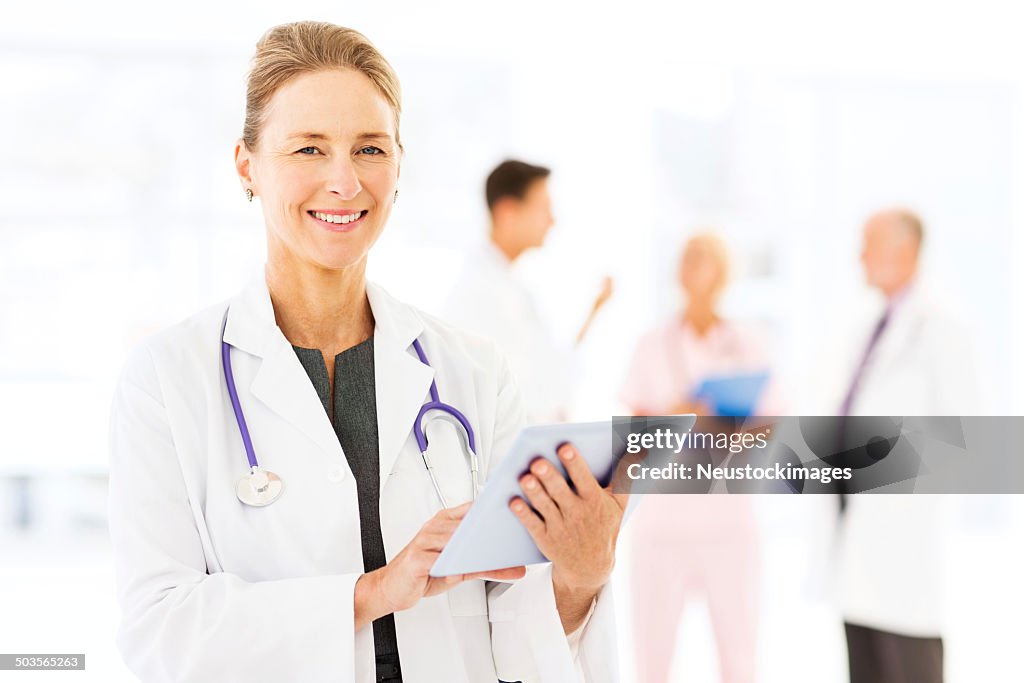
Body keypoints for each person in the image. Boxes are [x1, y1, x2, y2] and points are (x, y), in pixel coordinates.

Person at [107, 22, 625, 683]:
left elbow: (516, 631)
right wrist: (372, 591)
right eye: (309, 149)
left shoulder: (473, 371)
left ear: (400, 165)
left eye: (370, 149)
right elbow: (159, 627)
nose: (345, 182)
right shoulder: (167, 379)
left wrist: (582, 573)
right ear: (247, 165)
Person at [830, 208, 979, 683]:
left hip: (905, 549)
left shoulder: (943, 326)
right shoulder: (868, 329)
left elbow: (969, 443)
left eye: (868, 244)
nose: (860, 256)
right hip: (857, 546)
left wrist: (871, 461)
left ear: (906, 250)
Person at [620, 233, 772, 683]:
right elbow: (634, 437)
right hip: (662, 525)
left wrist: (727, 426)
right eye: (687, 259)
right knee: (653, 657)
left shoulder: (749, 344)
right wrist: (683, 412)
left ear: (724, 272)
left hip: (729, 523)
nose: (694, 268)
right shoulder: (652, 344)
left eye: (705, 259)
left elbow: (772, 428)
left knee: (739, 655)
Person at [442, 160, 613, 423]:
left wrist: (594, 312)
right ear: (507, 212)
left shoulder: (512, 286)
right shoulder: (480, 294)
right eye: (544, 208)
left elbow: (551, 375)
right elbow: (526, 397)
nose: (553, 220)